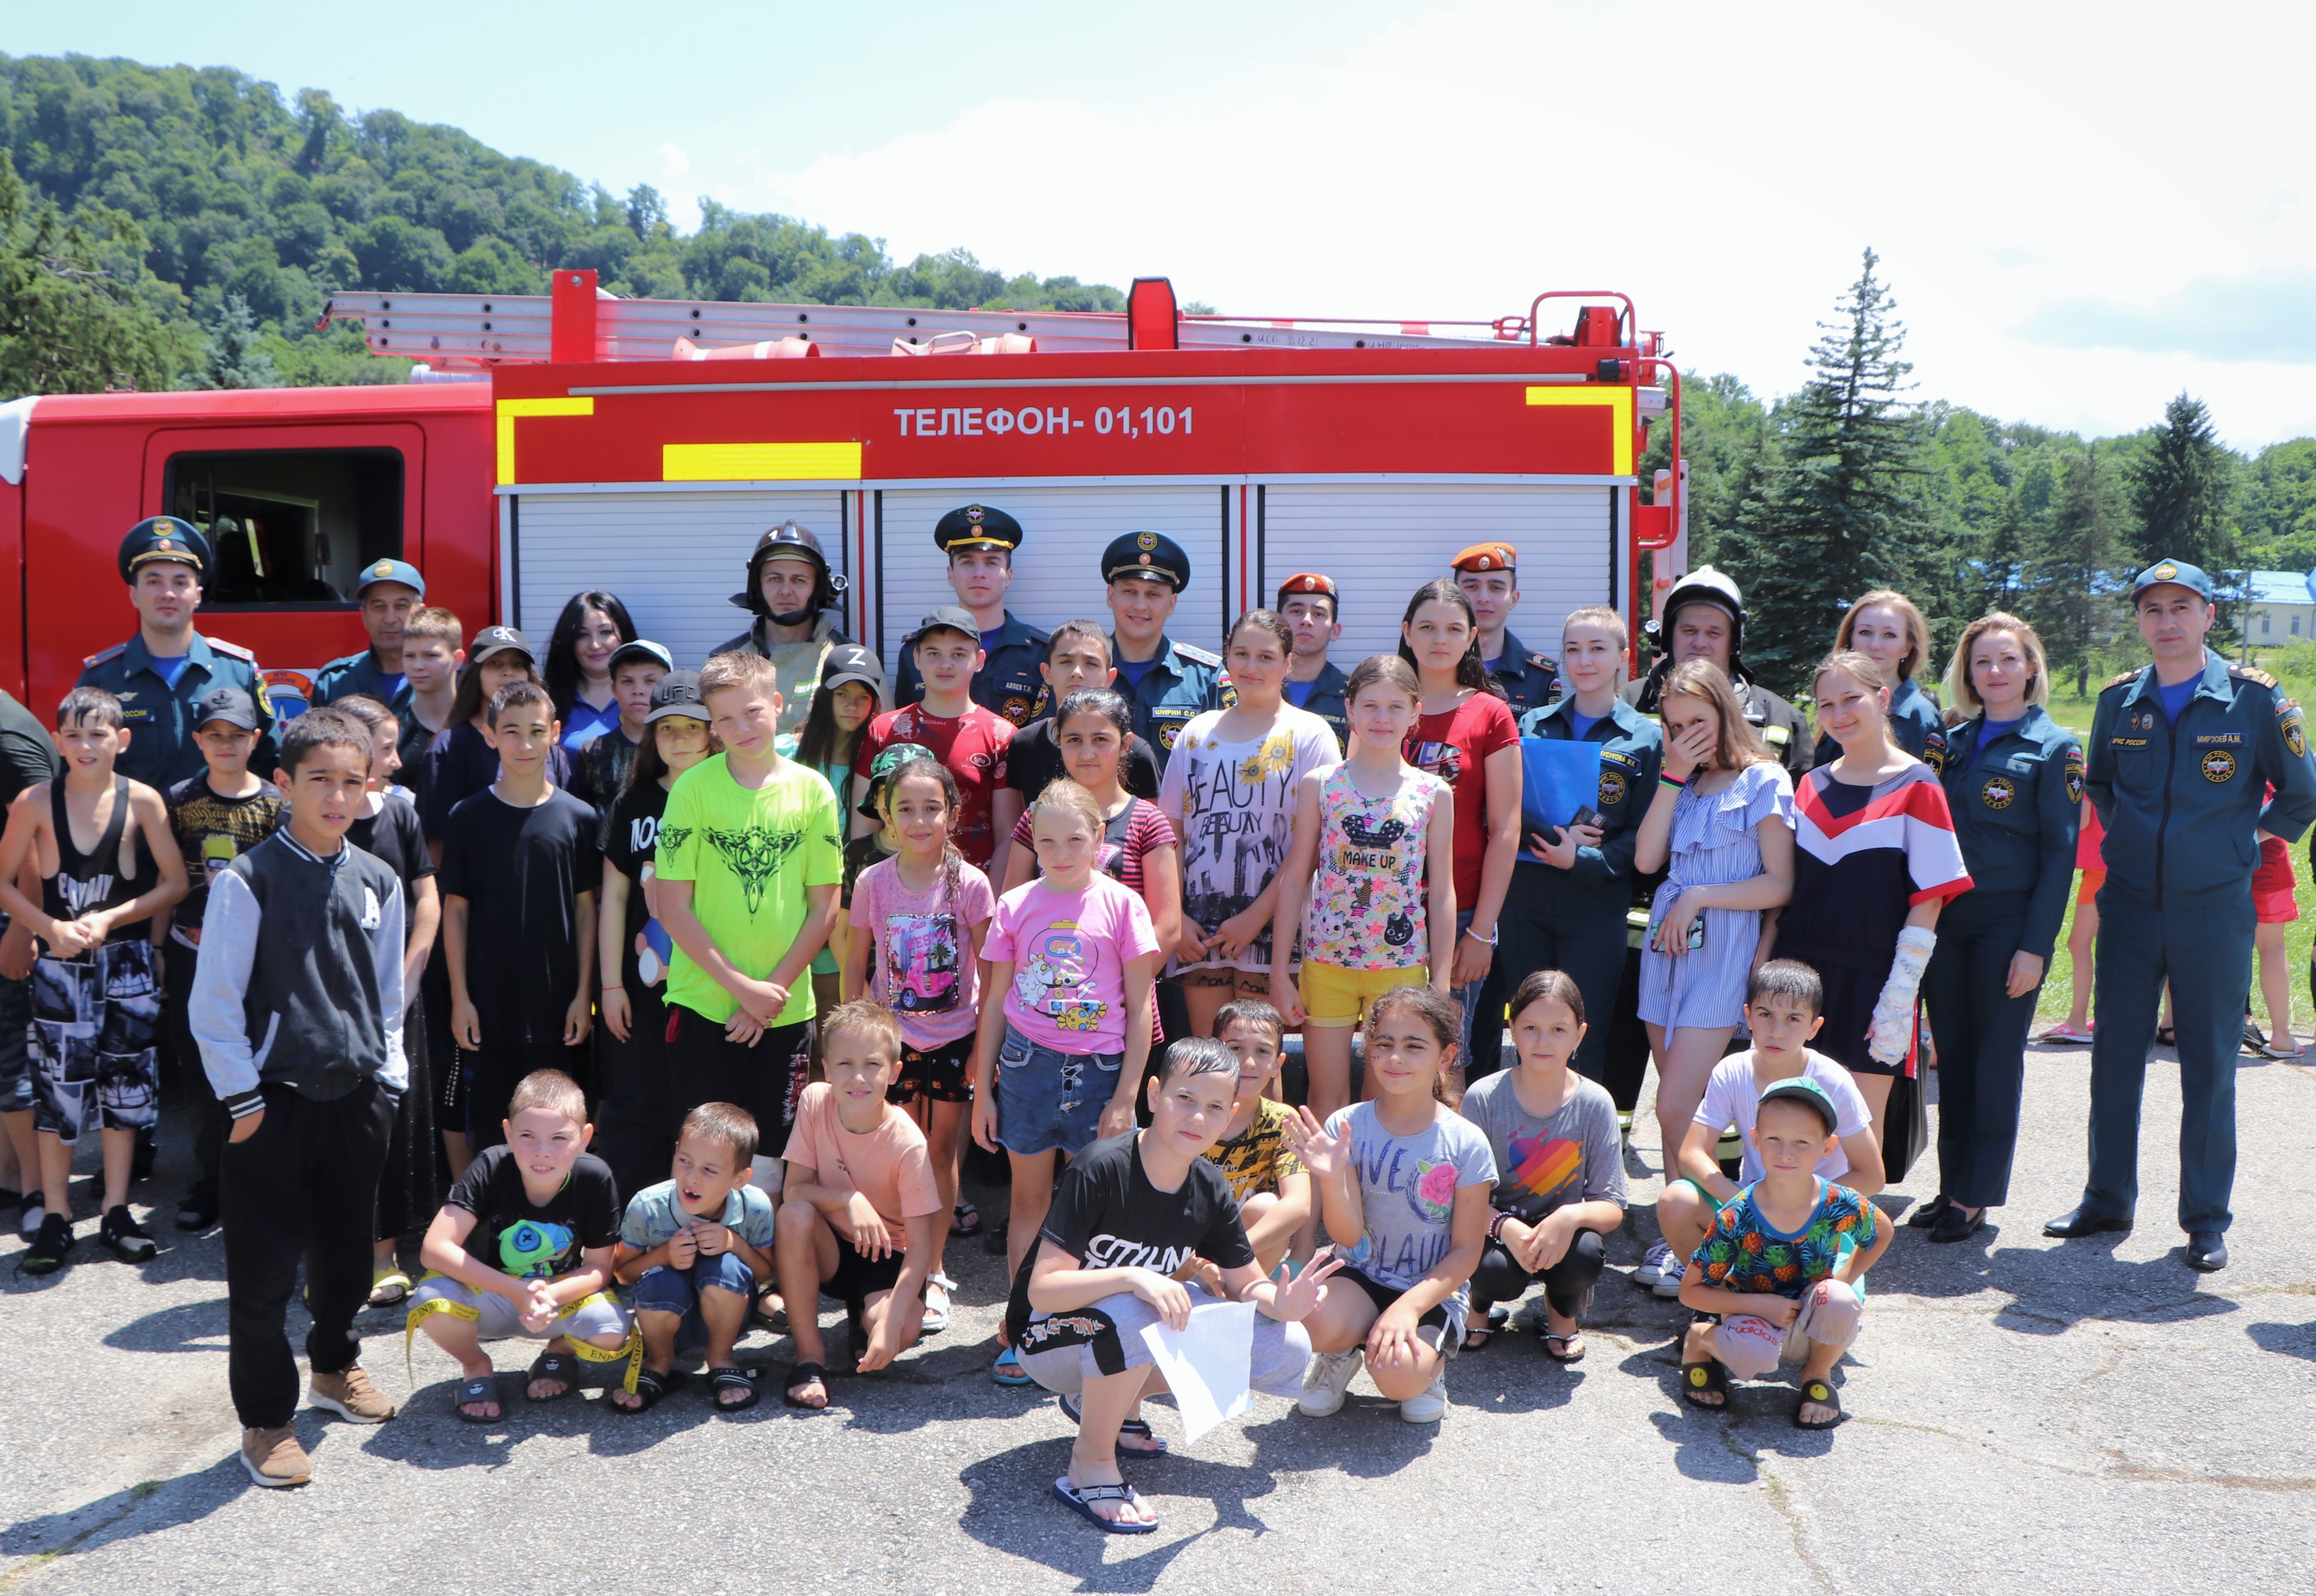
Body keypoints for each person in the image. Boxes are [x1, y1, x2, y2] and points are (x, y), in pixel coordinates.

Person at [2048, 558, 2316, 1273]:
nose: (2165, 622)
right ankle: (2106, 1197)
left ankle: (2204, 1218)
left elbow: (2300, 793)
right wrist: (2137, 843)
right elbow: (2101, 785)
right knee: (2113, 1058)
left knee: (2206, 1065)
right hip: (2130, 906)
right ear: (2138, 620)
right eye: (2152, 609)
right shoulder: (2118, 702)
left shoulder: (2254, 701)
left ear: (2208, 615)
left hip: (2212, 912)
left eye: (2180, 607)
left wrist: (2237, 842)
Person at [187, 709, 407, 1486]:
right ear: (283, 786)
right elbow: (213, 1002)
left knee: (348, 1262)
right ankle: (268, 1422)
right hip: (271, 1107)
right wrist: (243, 1102)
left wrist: (391, 1079)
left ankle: (334, 1367)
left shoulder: (378, 878)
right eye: (320, 780)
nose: (338, 796)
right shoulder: (248, 880)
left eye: (353, 781)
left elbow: (388, 995)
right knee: (262, 1277)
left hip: (357, 1100)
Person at [1011, 1036, 1341, 1534]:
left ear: (1230, 1113)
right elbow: (1043, 1289)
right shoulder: (1102, 1166)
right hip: (1042, 1336)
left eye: (1213, 1107)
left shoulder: (1208, 1186)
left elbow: (1247, 1284)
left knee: (1286, 1342)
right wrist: (1134, 1275)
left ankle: (1106, 1406)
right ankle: (1089, 1465)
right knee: (1138, 1304)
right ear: (1153, 1093)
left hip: (1113, 1332)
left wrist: (1282, 1299)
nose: (1196, 1117)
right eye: (1183, 1099)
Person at [970, 779, 1162, 1385]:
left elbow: (1140, 1008)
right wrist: (983, 1088)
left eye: (1074, 839)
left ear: (1098, 837)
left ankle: (1087, 1332)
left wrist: (1128, 1095)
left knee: (1098, 1215)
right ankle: (1023, 1326)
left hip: (1102, 1075)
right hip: (1027, 1068)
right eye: (1047, 840)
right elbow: (996, 1001)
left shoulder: (1123, 905)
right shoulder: (1016, 903)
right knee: (1029, 1204)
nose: (1060, 852)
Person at [1, 687, 188, 1274]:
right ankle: (56, 1213)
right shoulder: (34, 801)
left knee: (125, 1089)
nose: (87, 745)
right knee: (58, 1093)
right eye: (75, 735)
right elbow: (2, 880)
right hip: (61, 969)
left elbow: (175, 882)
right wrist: (46, 926)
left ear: (121, 740)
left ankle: (115, 1207)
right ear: (57, 741)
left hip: (126, 963)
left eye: (99, 734)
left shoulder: (144, 802)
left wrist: (111, 917)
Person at [1627, 659, 1795, 1295]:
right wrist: (1670, 775)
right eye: (1673, 725)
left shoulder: (1764, 780)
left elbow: (1779, 882)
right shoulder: (1686, 785)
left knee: (1673, 1108)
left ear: (1725, 711)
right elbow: (1645, 859)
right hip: (1667, 950)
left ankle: (1720, 1240)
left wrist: (1699, 895)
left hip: (1722, 948)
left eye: (1696, 721)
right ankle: (1683, 1240)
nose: (1685, 734)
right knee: (1679, 1109)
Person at [1918, 616, 2081, 1242]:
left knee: (1993, 1061)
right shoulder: (1950, 741)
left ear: (2031, 667)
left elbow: (2058, 857)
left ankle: (1976, 1196)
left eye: (2007, 660)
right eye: (1982, 662)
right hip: (1946, 924)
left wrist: (2034, 948)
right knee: (1951, 1059)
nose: (1995, 672)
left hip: (2007, 924)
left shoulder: (2053, 748)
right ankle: (1950, 1185)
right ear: (1968, 672)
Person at [1771, 652, 1972, 1147]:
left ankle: (1843, 1225)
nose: (1839, 713)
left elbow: (1929, 897)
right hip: (1798, 979)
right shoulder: (1808, 786)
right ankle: (1786, 1224)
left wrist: (1900, 993)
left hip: (1873, 980)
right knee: (1789, 1126)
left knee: (1859, 1132)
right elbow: (1784, 892)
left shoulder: (1918, 785)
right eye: (1826, 703)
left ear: (1882, 698)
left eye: (1851, 698)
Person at [657, 650, 843, 1172]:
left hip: (786, 1009)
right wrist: (742, 989)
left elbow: (824, 909)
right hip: (703, 1008)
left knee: (773, 1162)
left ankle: (767, 1256)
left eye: (753, 711)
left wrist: (769, 995)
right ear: (711, 726)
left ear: (778, 704)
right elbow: (672, 906)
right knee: (703, 1160)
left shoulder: (814, 791)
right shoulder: (692, 790)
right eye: (726, 718)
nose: (742, 727)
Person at [1291, 985, 1494, 1424]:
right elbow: (1346, 1237)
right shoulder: (1345, 1125)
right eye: (1383, 1044)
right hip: (1361, 1272)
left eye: (1413, 1046)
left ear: (1445, 1056)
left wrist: (1409, 1306)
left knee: (1400, 1379)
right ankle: (1339, 1353)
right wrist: (1329, 1178)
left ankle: (1427, 1364)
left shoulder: (1466, 1142)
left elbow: (1466, 1252)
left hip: (1431, 1286)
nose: (1394, 1058)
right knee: (1313, 1322)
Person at [844, 755, 995, 1333]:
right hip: (893, 1042)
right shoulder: (873, 882)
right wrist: (857, 1032)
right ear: (885, 814)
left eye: (932, 807)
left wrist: (985, 1043)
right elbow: (857, 958)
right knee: (900, 1153)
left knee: (940, 1152)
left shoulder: (970, 882)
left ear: (952, 814)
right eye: (905, 808)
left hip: (956, 1036)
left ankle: (934, 1272)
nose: (919, 819)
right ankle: (897, 1267)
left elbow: (992, 962)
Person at [1269, 654, 1453, 1120]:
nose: (1381, 718)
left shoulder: (1432, 792)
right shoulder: (1322, 785)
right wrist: (1278, 971)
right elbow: (1295, 879)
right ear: (1349, 709)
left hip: (1400, 969)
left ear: (1415, 712)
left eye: (1395, 707)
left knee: (1385, 1102)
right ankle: (1327, 1193)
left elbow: (1442, 892)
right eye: (1369, 705)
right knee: (1325, 1099)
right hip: (1326, 964)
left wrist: (1443, 982)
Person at [407, 1069, 631, 1424]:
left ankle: (559, 1351)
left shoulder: (595, 1176)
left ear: (586, 1137)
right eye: (528, 1136)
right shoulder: (491, 1165)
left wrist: (550, 1295)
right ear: (509, 1133)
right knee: (428, 1299)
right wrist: (517, 1290)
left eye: (559, 1138)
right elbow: (434, 1248)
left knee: (612, 1330)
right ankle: (476, 1366)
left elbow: (601, 1267)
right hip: (493, 1297)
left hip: (555, 1298)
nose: (543, 1152)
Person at [1654, 960, 1884, 1301]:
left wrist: (1807, 1204)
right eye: (1765, 1015)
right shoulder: (1731, 1070)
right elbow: (1691, 1152)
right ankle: (1720, 1304)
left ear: (1814, 1027)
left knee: (1828, 1309)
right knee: (1677, 1199)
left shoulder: (1833, 1080)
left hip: (1819, 1217)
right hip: (1755, 1204)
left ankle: (1802, 1304)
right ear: (1747, 1017)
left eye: (1793, 1019)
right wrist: (1741, 1197)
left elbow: (1872, 1175)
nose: (1777, 1031)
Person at [1501, 604, 1663, 1084]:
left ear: (1622, 657)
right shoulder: (1532, 726)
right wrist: (1557, 840)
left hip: (1596, 906)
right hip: (1524, 901)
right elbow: (1509, 805)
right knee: (1527, 1030)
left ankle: (1577, 1153)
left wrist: (1583, 857)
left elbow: (1645, 831)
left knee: (1583, 1036)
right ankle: (1524, 1149)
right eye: (1573, 649)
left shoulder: (1646, 736)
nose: (1584, 660)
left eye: (1597, 648)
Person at [1160, 611, 1340, 1040]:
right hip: (1201, 931)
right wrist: (1176, 916)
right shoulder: (1195, 734)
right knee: (1210, 1058)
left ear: (1288, 663)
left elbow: (1315, 843)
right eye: (1241, 654)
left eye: (1266, 656)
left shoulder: (1310, 733)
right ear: (1226, 658)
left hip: (1278, 929)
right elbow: (1170, 832)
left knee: (1258, 1061)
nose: (1252, 666)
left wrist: (1254, 919)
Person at [1677, 1077, 1890, 1429]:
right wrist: (1759, 1305)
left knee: (1838, 1298)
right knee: (1755, 1355)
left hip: (1810, 1316)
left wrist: (1842, 1279)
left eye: (1802, 1142)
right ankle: (1701, 1340)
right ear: (1756, 1139)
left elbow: (1882, 1231)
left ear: (1828, 1147)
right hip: (1754, 1319)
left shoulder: (1839, 1202)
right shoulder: (1737, 1214)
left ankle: (1817, 1374)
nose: (1786, 1153)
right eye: (1774, 1139)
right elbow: (1690, 1290)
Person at [439, 681, 599, 1145]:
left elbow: (586, 910)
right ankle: (499, 1218)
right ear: (490, 735)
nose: (524, 744)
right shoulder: (467, 817)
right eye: (511, 731)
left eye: (535, 730)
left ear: (555, 732)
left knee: (557, 1123)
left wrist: (582, 996)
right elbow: (456, 913)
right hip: (488, 1006)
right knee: (495, 1127)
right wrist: (461, 997)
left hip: (559, 1009)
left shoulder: (578, 817)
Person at [324, 696, 444, 1303]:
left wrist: (409, 975)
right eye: (387, 748)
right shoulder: (314, 820)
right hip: (329, 1010)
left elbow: (427, 898)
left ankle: (383, 1254)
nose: (398, 761)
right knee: (332, 1132)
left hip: (398, 1001)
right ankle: (331, 1260)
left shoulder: (399, 815)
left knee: (390, 1128)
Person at [776, 1000, 944, 1410]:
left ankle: (866, 1317)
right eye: (845, 1063)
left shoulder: (908, 1143)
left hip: (888, 1252)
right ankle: (809, 1357)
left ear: (895, 1071)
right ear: (826, 1069)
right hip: (830, 1246)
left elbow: (921, 1247)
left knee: (898, 1328)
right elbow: (793, 1190)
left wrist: (887, 1325)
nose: (858, 1077)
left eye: (872, 1063)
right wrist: (846, 1198)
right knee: (793, 1215)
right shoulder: (816, 1101)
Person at [160, 687, 283, 1234]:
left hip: (260, 961)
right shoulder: (179, 799)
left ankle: (259, 1184)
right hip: (193, 951)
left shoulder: (278, 803)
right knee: (201, 1072)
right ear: (198, 739)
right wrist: (161, 948)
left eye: (238, 735)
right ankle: (211, 1180)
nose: (227, 744)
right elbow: (163, 880)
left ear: (256, 739)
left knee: (260, 1070)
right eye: (215, 735)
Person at [1457, 970, 1625, 1357]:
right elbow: (1462, 1198)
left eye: (1558, 1030)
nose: (1543, 1041)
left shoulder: (1595, 1103)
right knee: (1496, 1271)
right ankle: (1479, 1305)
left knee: (1585, 1254)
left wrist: (1567, 1218)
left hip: (1561, 1236)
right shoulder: (1483, 1098)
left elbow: (1612, 1205)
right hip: (1494, 1225)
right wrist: (1504, 1225)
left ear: (1580, 1034)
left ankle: (1561, 1312)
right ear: (1512, 1027)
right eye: (1531, 1027)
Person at [595, 671, 715, 1204]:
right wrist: (610, 985)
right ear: (652, 736)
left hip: (711, 982)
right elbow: (615, 898)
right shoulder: (633, 803)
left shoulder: (728, 796)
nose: (682, 737)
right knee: (636, 1104)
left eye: (693, 726)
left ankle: (700, 1220)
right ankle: (620, 1230)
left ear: (712, 733)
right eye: (668, 728)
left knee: (702, 1109)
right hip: (641, 989)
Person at [1398, 579, 1520, 1090]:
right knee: (1393, 1044)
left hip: (1463, 911)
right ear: (1406, 633)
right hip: (1385, 909)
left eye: (1452, 628)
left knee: (1448, 1054)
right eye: (1426, 627)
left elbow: (1506, 827)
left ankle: (1449, 1169)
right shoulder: (1382, 703)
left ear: (1471, 636)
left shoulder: (1490, 712)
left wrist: (1480, 932)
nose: (1438, 639)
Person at [77, 517, 278, 790]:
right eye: (154, 582)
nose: (168, 593)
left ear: (198, 595)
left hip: (219, 831)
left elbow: (270, 759)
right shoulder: (101, 677)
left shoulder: (238, 670)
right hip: (133, 829)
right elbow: (77, 768)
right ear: (134, 595)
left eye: (181, 582)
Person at [611, 1100, 778, 1414]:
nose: (692, 1178)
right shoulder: (648, 1206)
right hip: (664, 1319)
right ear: (675, 1151)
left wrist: (735, 1244)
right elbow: (622, 1274)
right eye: (684, 1160)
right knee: (658, 1280)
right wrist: (663, 1255)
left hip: (729, 1316)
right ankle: (659, 1361)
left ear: (739, 1179)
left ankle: (721, 1358)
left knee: (726, 1267)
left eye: (710, 1170)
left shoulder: (755, 1206)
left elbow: (765, 1272)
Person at [1000, 688, 1182, 958]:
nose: (1087, 753)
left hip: (1123, 993)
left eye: (1100, 740)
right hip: (1046, 987)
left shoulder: (1149, 821)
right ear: (1059, 741)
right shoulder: (1036, 815)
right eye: (1074, 739)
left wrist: (1116, 985)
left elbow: (1167, 928)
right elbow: (1011, 915)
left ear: (1126, 744)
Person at [854, 607, 1019, 873]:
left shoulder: (1001, 735)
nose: (945, 664)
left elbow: (1007, 840)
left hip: (973, 897)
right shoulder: (884, 730)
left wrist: (992, 908)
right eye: (934, 654)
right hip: (896, 894)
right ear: (916, 658)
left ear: (979, 660)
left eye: (958, 654)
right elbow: (863, 834)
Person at [1625, 567, 1812, 780]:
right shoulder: (1629, 704)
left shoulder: (1782, 719)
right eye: (1689, 631)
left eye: (1714, 633)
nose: (1700, 643)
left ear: (1734, 643)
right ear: (1668, 636)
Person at [891, 504, 1052, 728]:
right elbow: (904, 728)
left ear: (1009, 576)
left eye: (991, 563)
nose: (979, 573)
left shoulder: (1042, 653)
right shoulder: (914, 652)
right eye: (967, 562)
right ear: (950, 574)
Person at [418, 625, 574, 853]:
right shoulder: (448, 748)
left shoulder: (550, 748)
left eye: (517, 664)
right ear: (476, 674)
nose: (508, 672)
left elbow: (568, 821)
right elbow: (437, 841)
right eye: (495, 664)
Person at [0, 688, 60, 1246]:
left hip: (13, 916)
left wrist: (24, 928)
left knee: (11, 1056)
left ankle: (35, 1188)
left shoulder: (8, 737)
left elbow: (37, 834)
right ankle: (10, 1174)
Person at [709, 521, 851, 739]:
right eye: (774, 579)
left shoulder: (849, 660)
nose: (786, 591)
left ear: (819, 588)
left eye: (799, 580)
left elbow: (875, 743)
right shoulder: (723, 662)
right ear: (757, 587)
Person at [1202, 999, 1311, 1276]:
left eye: (1262, 1051)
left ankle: (1244, 1299)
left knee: (1268, 1206)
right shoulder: (1192, 1114)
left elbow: (1299, 1206)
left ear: (1278, 1064)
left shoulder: (1285, 1121)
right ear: (1214, 1053)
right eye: (1236, 1048)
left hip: (1243, 1253)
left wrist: (1230, 1253)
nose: (1248, 1062)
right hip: (1187, 1244)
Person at [1100, 531, 1226, 769]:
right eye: (1129, 591)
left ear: (1172, 603)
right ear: (1110, 595)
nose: (1140, 605)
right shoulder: (1082, 667)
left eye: (1153, 594)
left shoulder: (1205, 677)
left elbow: (1229, 758)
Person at [1004, 621, 1165, 806]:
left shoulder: (1134, 750)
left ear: (1110, 678)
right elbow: (1015, 826)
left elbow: (1150, 824)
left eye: (1091, 663)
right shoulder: (1025, 743)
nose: (1077, 673)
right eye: (1066, 662)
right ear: (1046, 673)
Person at [1814, 590, 1948, 769]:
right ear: (1850, 640)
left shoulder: (1920, 717)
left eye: (1889, 635)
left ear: (1907, 649)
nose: (1875, 645)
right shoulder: (1834, 704)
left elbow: (1922, 790)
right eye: (1865, 632)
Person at [1450, 542, 1560, 720]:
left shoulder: (1541, 676)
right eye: (1472, 587)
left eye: (1496, 588)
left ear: (1514, 599)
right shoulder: (1434, 666)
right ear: (1455, 596)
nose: (1483, 598)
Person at [312, 559, 427, 714]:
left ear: (420, 614)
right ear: (364, 617)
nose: (390, 619)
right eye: (379, 607)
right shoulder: (333, 683)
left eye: (401, 606)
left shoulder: (450, 680)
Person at [572, 638, 672, 810]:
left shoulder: (682, 746)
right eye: (628, 681)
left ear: (668, 687)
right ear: (614, 690)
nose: (638, 690)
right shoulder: (593, 750)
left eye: (650, 681)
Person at [2038, 798, 2103, 1046]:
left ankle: (2077, 1021)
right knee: (2109, 945)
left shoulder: (2088, 772)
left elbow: (2082, 820)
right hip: (2114, 862)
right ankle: (2103, 1016)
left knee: (2079, 943)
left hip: (2099, 868)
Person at [541, 589, 640, 750]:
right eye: (582, 635)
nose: (595, 645)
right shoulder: (548, 699)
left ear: (624, 634)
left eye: (605, 632)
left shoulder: (647, 695)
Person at [1277, 572, 1352, 749]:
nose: (1306, 621)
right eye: (1297, 611)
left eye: (1318, 614)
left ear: (1335, 630)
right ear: (1278, 623)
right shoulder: (1255, 686)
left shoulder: (1355, 693)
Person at [395, 606, 464, 790]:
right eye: (409, 656)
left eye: (430, 656)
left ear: (458, 659)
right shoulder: (394, 733)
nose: (418, 665)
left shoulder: (482, 725)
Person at [2251, 810, 2301, 1059]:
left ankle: (2215, 1032)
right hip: (2269, 850)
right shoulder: (2275, 769)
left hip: (2219, 851)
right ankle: (2281, 1035)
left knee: (2216, 946)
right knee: (2272, 947)